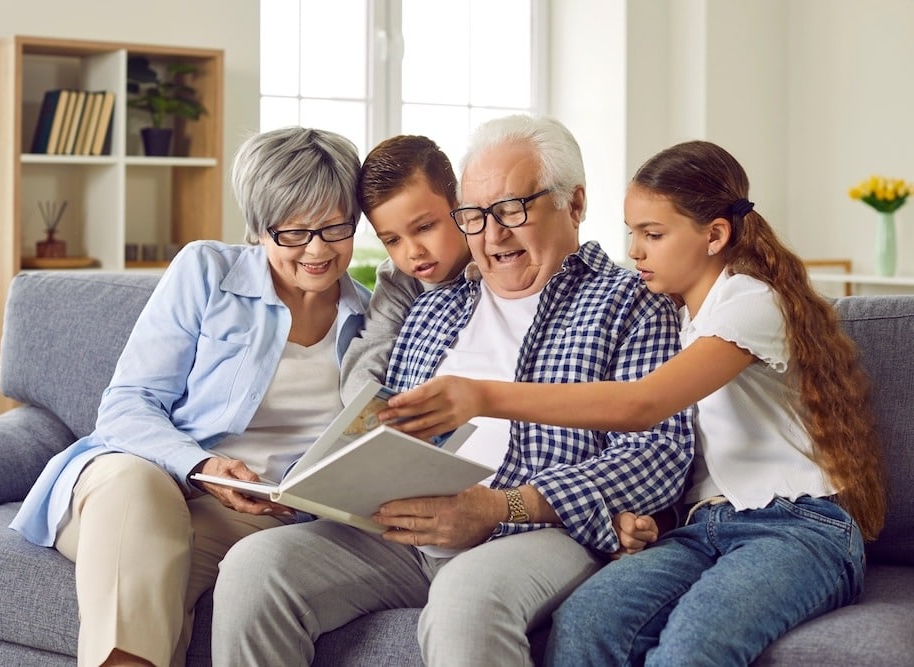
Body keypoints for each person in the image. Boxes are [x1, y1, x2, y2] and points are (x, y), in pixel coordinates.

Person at [210, 114, 695, 667]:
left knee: (465, 599)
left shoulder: (633, 303)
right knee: (255, 568)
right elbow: (382, 422)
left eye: (514, 209)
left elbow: (658, 454)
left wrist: (497, 506)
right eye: (476, 216)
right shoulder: (435, 303)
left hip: (535, 531)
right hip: (404, 532)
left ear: (575, 204)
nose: (493, 235)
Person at [380, 139, 888, 666]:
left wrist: (482, 396)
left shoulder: (751, 303)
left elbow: (643, 406)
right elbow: (687, 457)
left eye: (653, 234)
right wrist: (650, 522)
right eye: (632, 234)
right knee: (588, 619)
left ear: (715, 235)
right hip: (703, 528)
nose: (636, 251)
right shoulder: (678, 316)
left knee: (694, 643)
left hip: (797, 528)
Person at [10, 126, 370, 667]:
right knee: (140, 493)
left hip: (260, 516)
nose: (317, 249)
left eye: (334, 227)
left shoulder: (371, 316)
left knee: (156, 581)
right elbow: (127, 404)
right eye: (293, 232)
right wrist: (202, 466)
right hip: (139, 478)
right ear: (258, 229)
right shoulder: (207, 271)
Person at [340, 134, 471, 402]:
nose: (413, 252)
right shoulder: (397, 280)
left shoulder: (496, 262)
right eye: (392, 240)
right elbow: (368, 354)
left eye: (424, 227)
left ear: (460, 207)